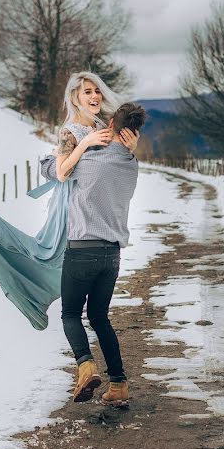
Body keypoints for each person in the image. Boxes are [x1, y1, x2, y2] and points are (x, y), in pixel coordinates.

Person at [0, 72, 137, 330]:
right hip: (71, 204)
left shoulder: (101, 125)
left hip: (94, 204)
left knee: (63, 268)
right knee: (50, 257)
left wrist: (130, 149)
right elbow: (63, 172)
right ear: (75, 98)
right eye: (87, 92)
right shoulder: (69, 131)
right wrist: (84, 143)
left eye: (97, 91)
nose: (95, 96)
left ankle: (39, 304)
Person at [40, 102, 145, 408]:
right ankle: (119, 385)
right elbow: (127, 154)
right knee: (99, 316)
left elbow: (54, 170)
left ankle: (85, 366)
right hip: (111, 256)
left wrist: (79, 143)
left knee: (71, 313)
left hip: (82, 249)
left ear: (111, 124)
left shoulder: (90, 161)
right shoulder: (131, 163)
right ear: (133, 133)